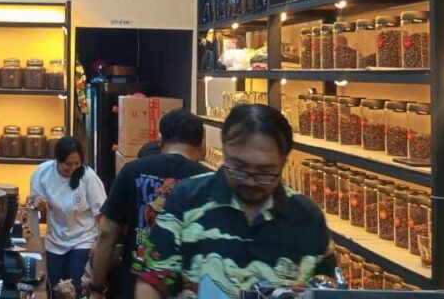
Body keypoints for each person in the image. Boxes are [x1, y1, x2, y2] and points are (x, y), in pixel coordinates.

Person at [133, 104, 335, 299]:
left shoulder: (307, 216)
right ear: (224, 150)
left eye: (265, 172)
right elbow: (151, 281)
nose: (250, 181)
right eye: (238, 167)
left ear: (283, 161)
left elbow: (328, 289)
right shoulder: (186, 198)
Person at [86, 110, 210, 299]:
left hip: (136, 288)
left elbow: (107, 233)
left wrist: (97, 287)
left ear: (160, 140)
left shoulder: (132, 170)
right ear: (202, 144)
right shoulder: (209, 181)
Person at [30, 136, 106, 297]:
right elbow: (34, 205)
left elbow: (101, 213)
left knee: (74, 286)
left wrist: (99, 242)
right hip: (55, 239)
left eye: (77, 163)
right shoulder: (43, 173)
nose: (72, 168)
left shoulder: (88, 176)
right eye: (68, 164)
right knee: (55, 287)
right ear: (57, 160)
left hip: (83, 238)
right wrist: (38, 203)